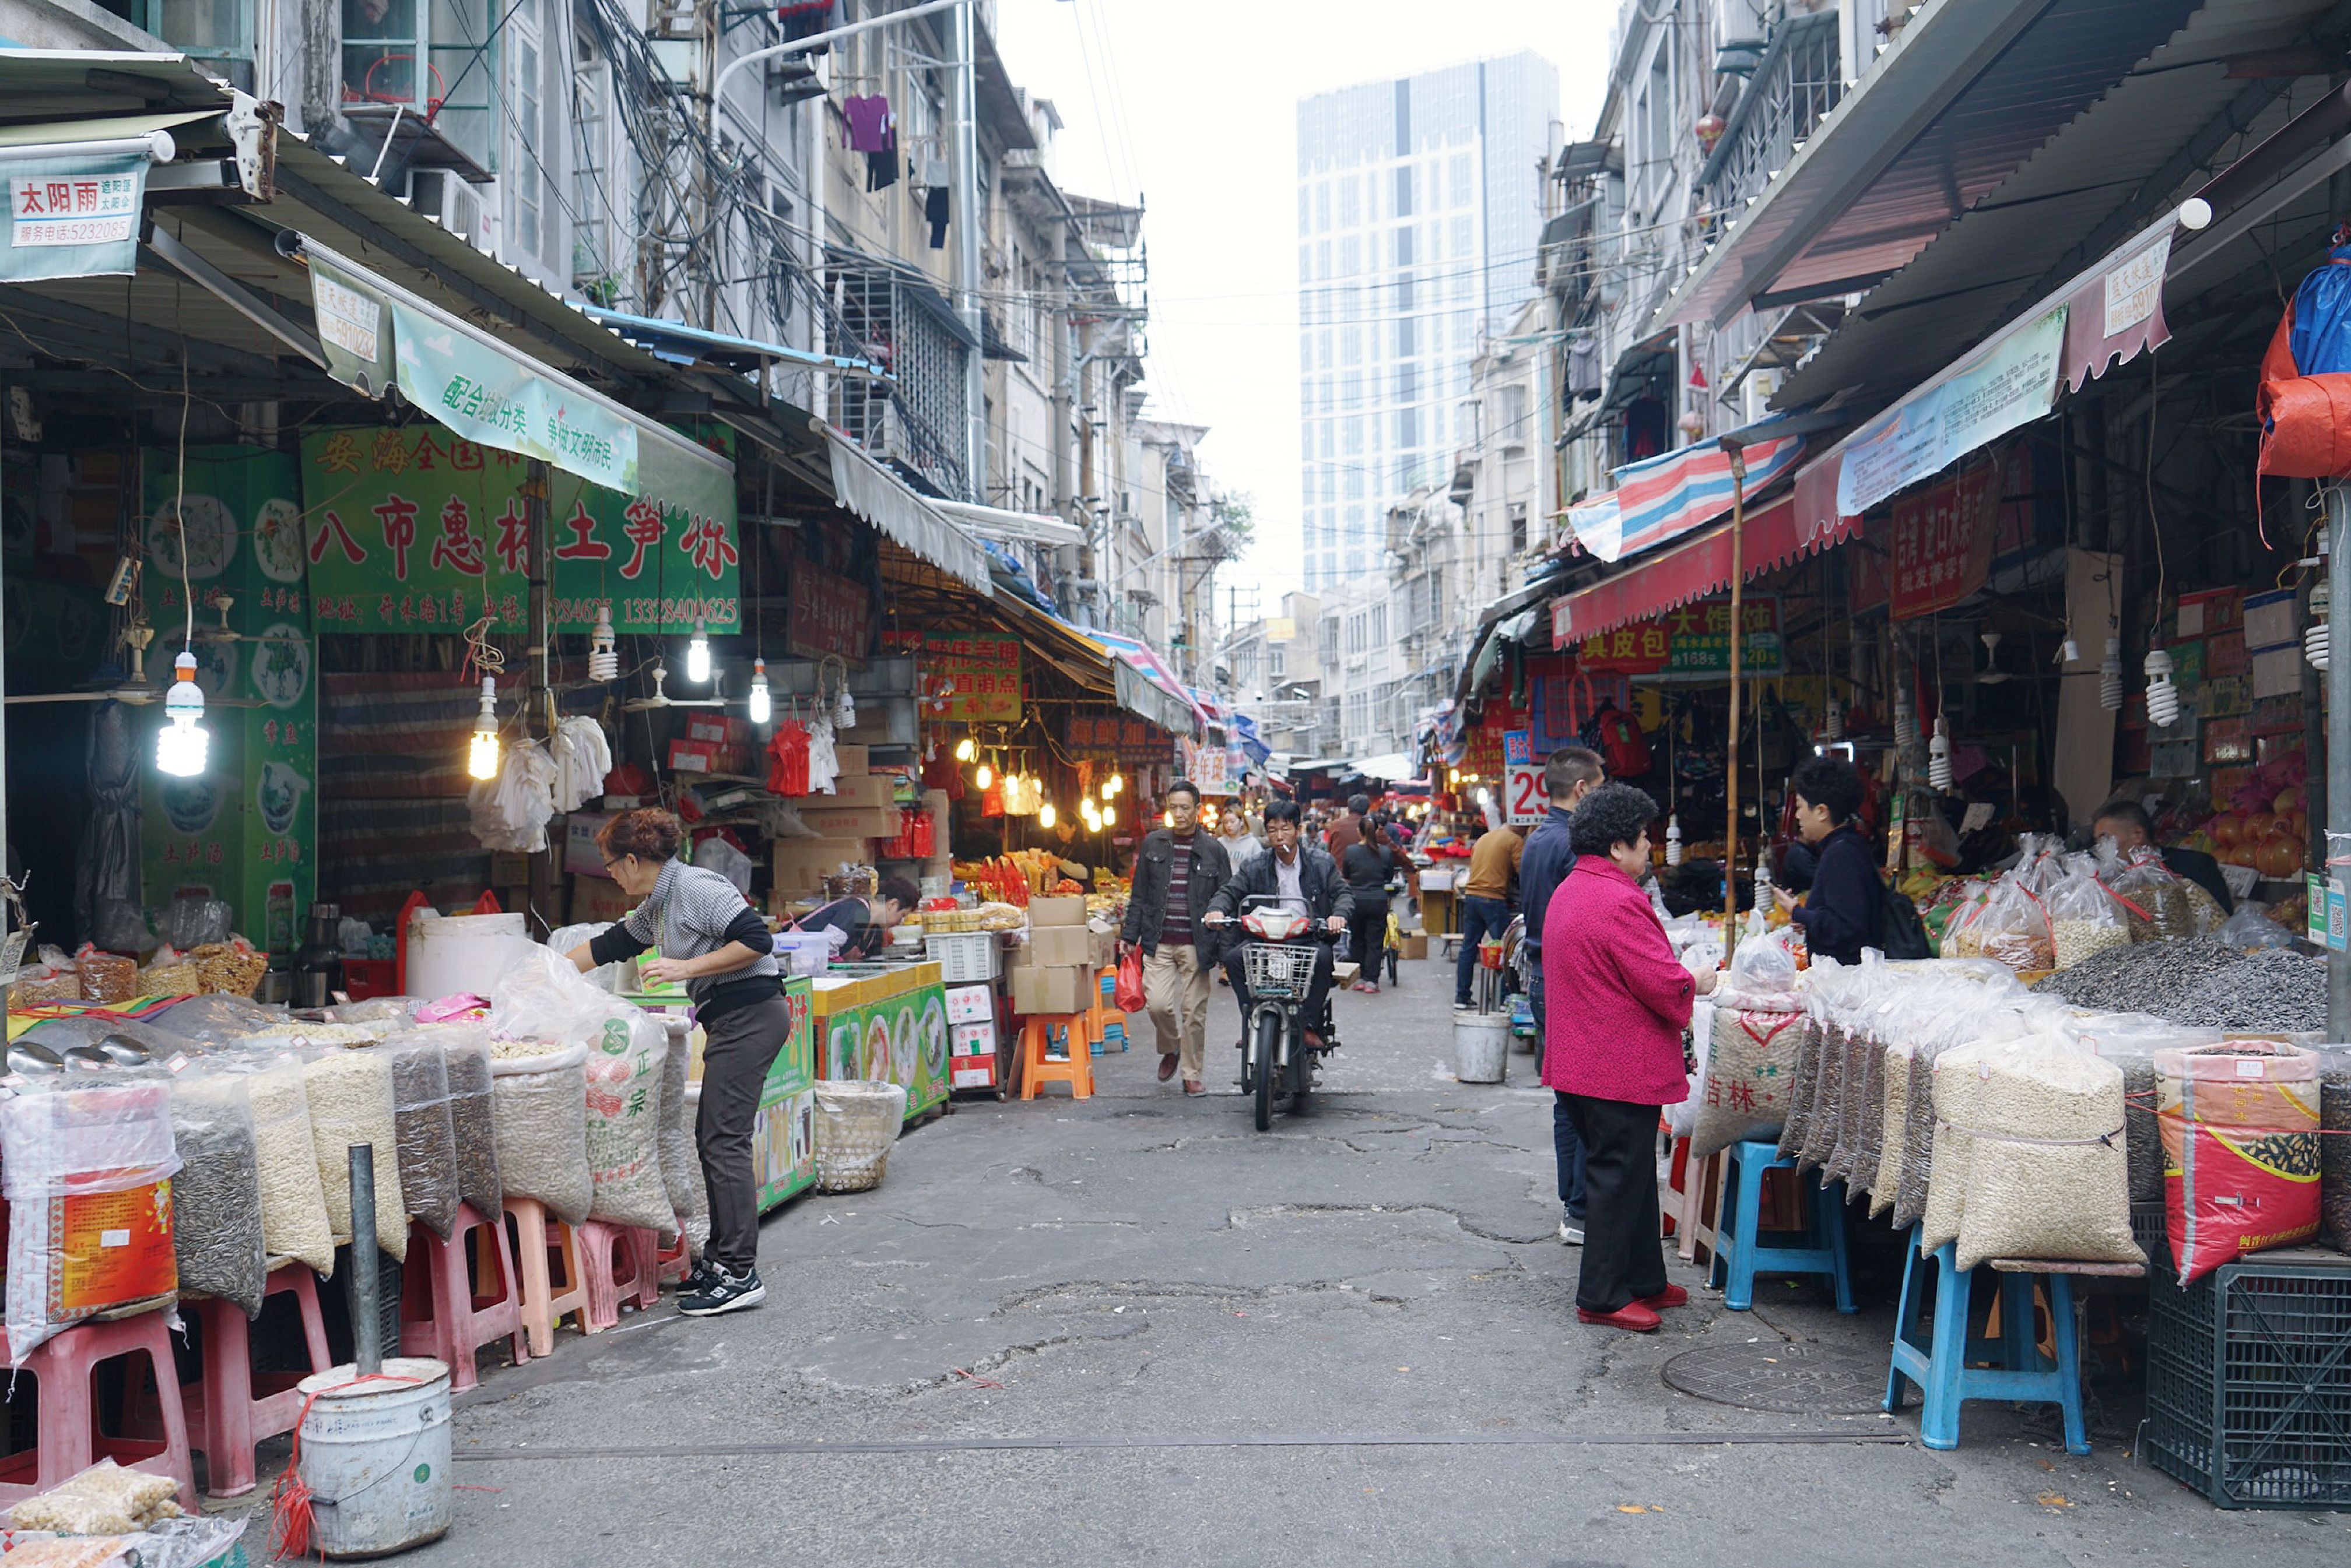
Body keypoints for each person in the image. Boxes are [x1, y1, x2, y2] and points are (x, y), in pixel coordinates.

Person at [566, 810, 787, 1318]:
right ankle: (720, 1262)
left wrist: (686, 967)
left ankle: (738, 1271)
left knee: (723, 1139)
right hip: (731, 1018)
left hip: (752, 1015)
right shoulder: (657, 905)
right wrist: (543, 970)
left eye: (611, 866)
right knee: (713, 1137)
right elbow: (610, 946)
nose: (611, 876)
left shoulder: (696, 886)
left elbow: (757, 940)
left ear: (632, 860)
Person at [1542, 782, 1715, 1333]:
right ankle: (1601, 1294)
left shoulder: (1573, 889)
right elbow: (1663, 984)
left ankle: (1643, 1279)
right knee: (1618, 1175)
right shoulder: (1617, 899)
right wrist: (1698, 979)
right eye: (1644, 840)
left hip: (1582, 1060)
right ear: (1618, 846)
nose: (1650, 851)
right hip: (1612, 1064)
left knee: (1634, 1173)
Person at [1517, 746, 1605, 1244]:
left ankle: (1574, 1208)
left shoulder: (1537, 839)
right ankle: (1578, 1209)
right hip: (1567, 981)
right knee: (1584, 1096)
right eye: (1601, 785)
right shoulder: (1573, 844)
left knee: (1567, 1096)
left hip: (1542, 976)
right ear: (1582, 789)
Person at [1204, 799, 1352, 1055]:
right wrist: (1216, 909)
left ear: (1298, 830)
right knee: (1234, 959)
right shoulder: (1255, 865)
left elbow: (1342, 893)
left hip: (1306, 937)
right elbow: (1230, 890)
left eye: (1285, 829)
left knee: (1324, 959)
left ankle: (1308, 1024)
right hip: (1263, 938)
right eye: (1272, 830)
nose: (1279, 836)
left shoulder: (1321, 862)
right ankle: (1252, 1020)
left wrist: (1337, 916)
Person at [1119, 780, 1231, 1096]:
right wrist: (1130, 935)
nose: (1179, 815)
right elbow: (1139, 894)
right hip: (1159, 940)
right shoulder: (1154, 844)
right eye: (1173, 808)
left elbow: (1226, 896)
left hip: (1198, 942)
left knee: (1194, 1013)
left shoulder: (1214, 850)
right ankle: (1171, 1047)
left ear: (1197, 810)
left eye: (1185, 808)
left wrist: (1226, 950)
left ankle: (1192, 1073)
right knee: (1157, 1006)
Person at [1773, 755, 1877, 966]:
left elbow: (1845, 927)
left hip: (1845, 981)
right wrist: (1807, 917)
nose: (1797, 816)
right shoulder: (1844, 846)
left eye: (1801, 807)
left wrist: (1797, 911)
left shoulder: (1841, 854)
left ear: (1821, 812)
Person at [2092, 798, 2234, 913]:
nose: (2101, 848)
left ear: (2137, 834)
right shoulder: (2109, 881)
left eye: (2106, 839)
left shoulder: (2197, 865)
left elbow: (2221, 916)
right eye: (2098, 842)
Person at [1454, 816, 1524, 1008]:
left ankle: (1462, 997)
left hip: (1471, 897)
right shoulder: (1514, 840)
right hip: (1493, 899)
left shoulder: (1485, 838)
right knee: (1503, 949)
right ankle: (1503, 1000)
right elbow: (1523, 872)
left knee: (1468, 948)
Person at [788, 873, 918, 961]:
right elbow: (826, 949)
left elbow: (874, 964)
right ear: (893, 905)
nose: (900, 923)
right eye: (902, 916)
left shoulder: (875, 930)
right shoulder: (856, 910)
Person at [1339, 810, 1401, 994]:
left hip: (1356, 901)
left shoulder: (1351, 851)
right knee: (1374, 941)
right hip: (1378, 901)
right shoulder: (1385, 852)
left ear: (1360, 832)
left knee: (1357, 939)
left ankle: (1358, 978)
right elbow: (1389, 876)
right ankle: (1371, 981)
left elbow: (1347, 875)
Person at [1217, 806, 1264, 870]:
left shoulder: (1252, 843)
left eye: (1232, 821)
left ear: (1242, 821)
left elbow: (1261, 866)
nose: (1229, 825)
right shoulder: (1220, 843)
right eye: (1226, 822)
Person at [1325, 793, 1369, 857]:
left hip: (1338, 866)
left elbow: (1330, 849)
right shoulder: (1372, 825)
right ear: (1367, 810)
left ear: (1348, 809)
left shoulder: (1336, 824)